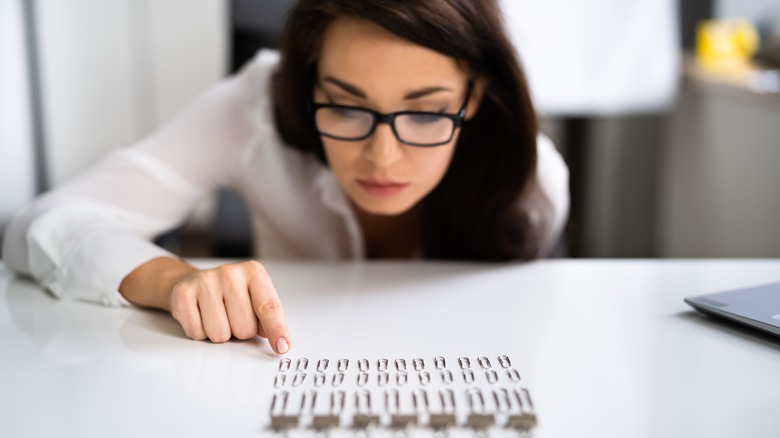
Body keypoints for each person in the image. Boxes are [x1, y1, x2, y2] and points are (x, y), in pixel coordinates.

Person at [2, 0, 569, 355]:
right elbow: (42, 222)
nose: (383, 157)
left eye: (424, 113)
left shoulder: (535, 181)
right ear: (307, 86)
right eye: (346, 107)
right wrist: (173, 281)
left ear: (473, 96)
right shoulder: (255, 104)